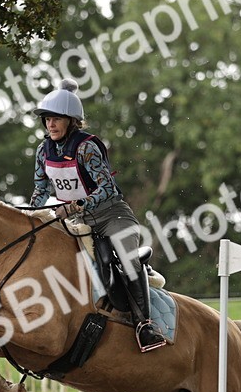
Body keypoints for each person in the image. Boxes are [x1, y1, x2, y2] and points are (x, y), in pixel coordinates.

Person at [29, 79, 167, 352]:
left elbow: (107, 187)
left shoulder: (86, 147)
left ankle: (145, 325)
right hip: (75, 221)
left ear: (71, 121)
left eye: (57, 119)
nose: (51, 125)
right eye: (47, 119)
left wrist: (78, 204)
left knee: (127, 260)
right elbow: (41, 190)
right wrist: (29, 214)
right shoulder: (43, 151)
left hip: (111, 216)